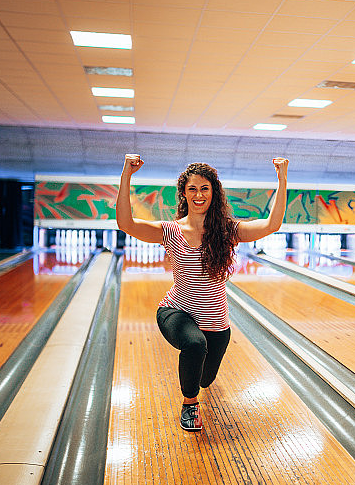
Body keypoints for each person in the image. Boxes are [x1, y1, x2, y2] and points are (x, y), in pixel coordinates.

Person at [116, 155, 289, 431]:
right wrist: (127, 175)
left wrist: (282, 179)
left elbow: (271, 225)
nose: (199, 194)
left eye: (204, 188)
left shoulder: (227, 231)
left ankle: (195, 384)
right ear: (184, 193)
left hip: (216, 323)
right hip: (176, 311)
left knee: (205, 379)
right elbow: (127, 224)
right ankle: (189, 406)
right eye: (193, 188)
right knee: (194, 345)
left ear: (213, 192)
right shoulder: (170, 231)